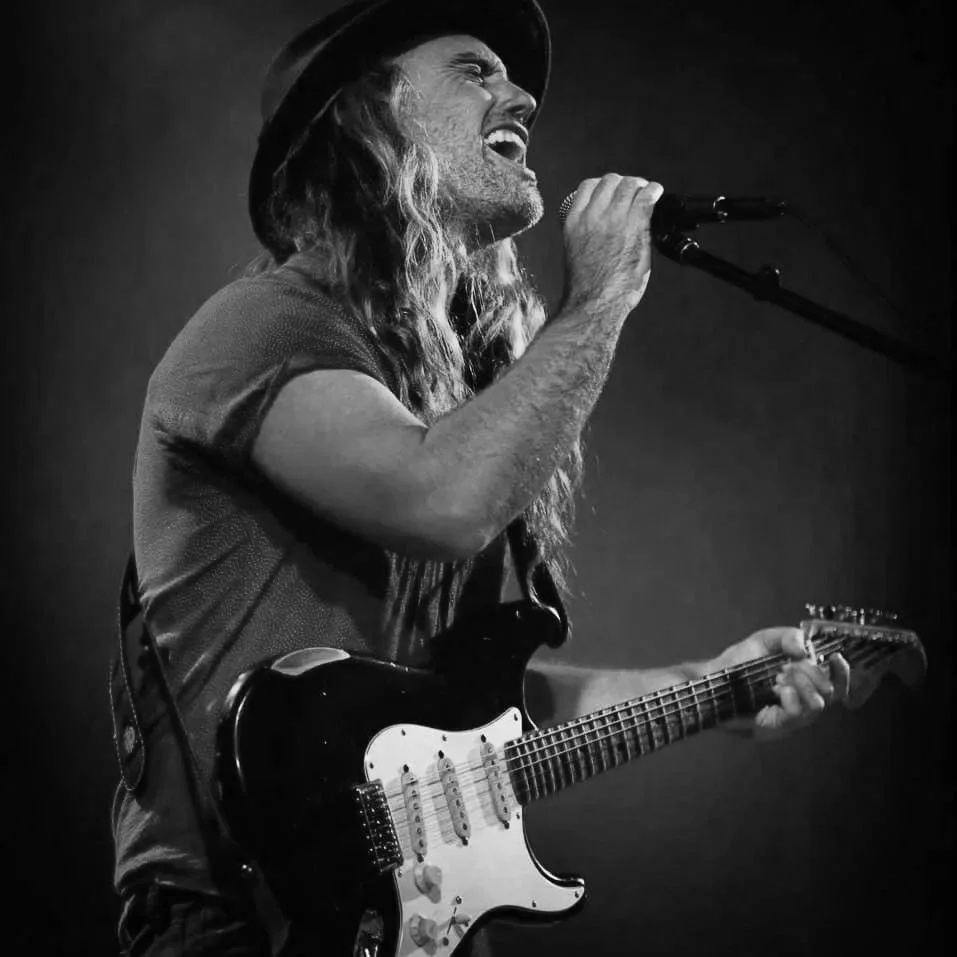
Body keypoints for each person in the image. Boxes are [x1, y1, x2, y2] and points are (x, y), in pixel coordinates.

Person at [111, 1, 868, 954]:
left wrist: (710, 684)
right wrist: (600, 297)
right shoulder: (259, 327)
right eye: (475, 71)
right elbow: (444, 502)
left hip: (411, 920)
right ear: (366, 117)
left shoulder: (458, 392)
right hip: (246, 921)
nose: (520, 98)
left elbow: (472, 714)